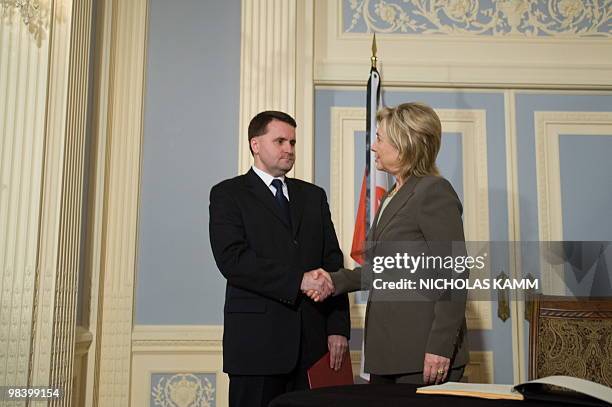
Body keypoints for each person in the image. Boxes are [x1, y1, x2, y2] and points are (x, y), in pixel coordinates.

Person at [305, 102, 469, 385]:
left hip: (423, 354)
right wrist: (333, 280)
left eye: (379, 138)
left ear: (404, 145)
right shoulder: (393, 195)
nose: (373, 147)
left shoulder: (433, 191)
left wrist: (440, 346)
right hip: (387, 352)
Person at [209, 111, 350, 407]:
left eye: (293, 142)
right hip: (256, 348)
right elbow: (233, 260)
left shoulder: (313, 196)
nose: (289, 149)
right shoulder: (227, 194)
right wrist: (299, 281)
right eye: (281, 141)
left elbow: (333, 263)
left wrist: (338, 328)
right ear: (255, 144)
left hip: (314, 346)